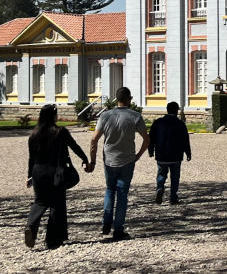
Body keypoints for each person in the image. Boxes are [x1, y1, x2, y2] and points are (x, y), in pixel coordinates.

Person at [25, 104, 91, 250]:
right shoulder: (60, 132)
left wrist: (29, 175)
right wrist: (85, 159)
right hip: (56, 171)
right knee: (57, 204)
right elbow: (74, 146)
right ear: (53, 116)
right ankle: (53, 240)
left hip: (38, 171)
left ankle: (31, 226)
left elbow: (31, 158)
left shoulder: (33, 134)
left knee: (40, 202)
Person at [89, 87, 148, 241]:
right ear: (129, 99)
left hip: (109, 160)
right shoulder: (135, 116)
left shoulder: (105, 116)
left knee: (110, 190)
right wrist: (138, 155)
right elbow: (146, 139)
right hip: (127, 160)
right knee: (122, 194)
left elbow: (94, 140)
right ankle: (118, 229)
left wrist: (93, 160)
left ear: (116, 99)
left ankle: (106, 224)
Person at [148, 102, 191, 205]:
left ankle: (160, 188)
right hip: (176, 155)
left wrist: (150, 150)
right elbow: (185, 139)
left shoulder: (158, 122)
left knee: (161, 174)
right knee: (175, 177)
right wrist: (188, 152)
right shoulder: (180, 124)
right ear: (177, 111)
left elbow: (151, 138)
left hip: (162, 155)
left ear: (167, 110)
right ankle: (173, 197)